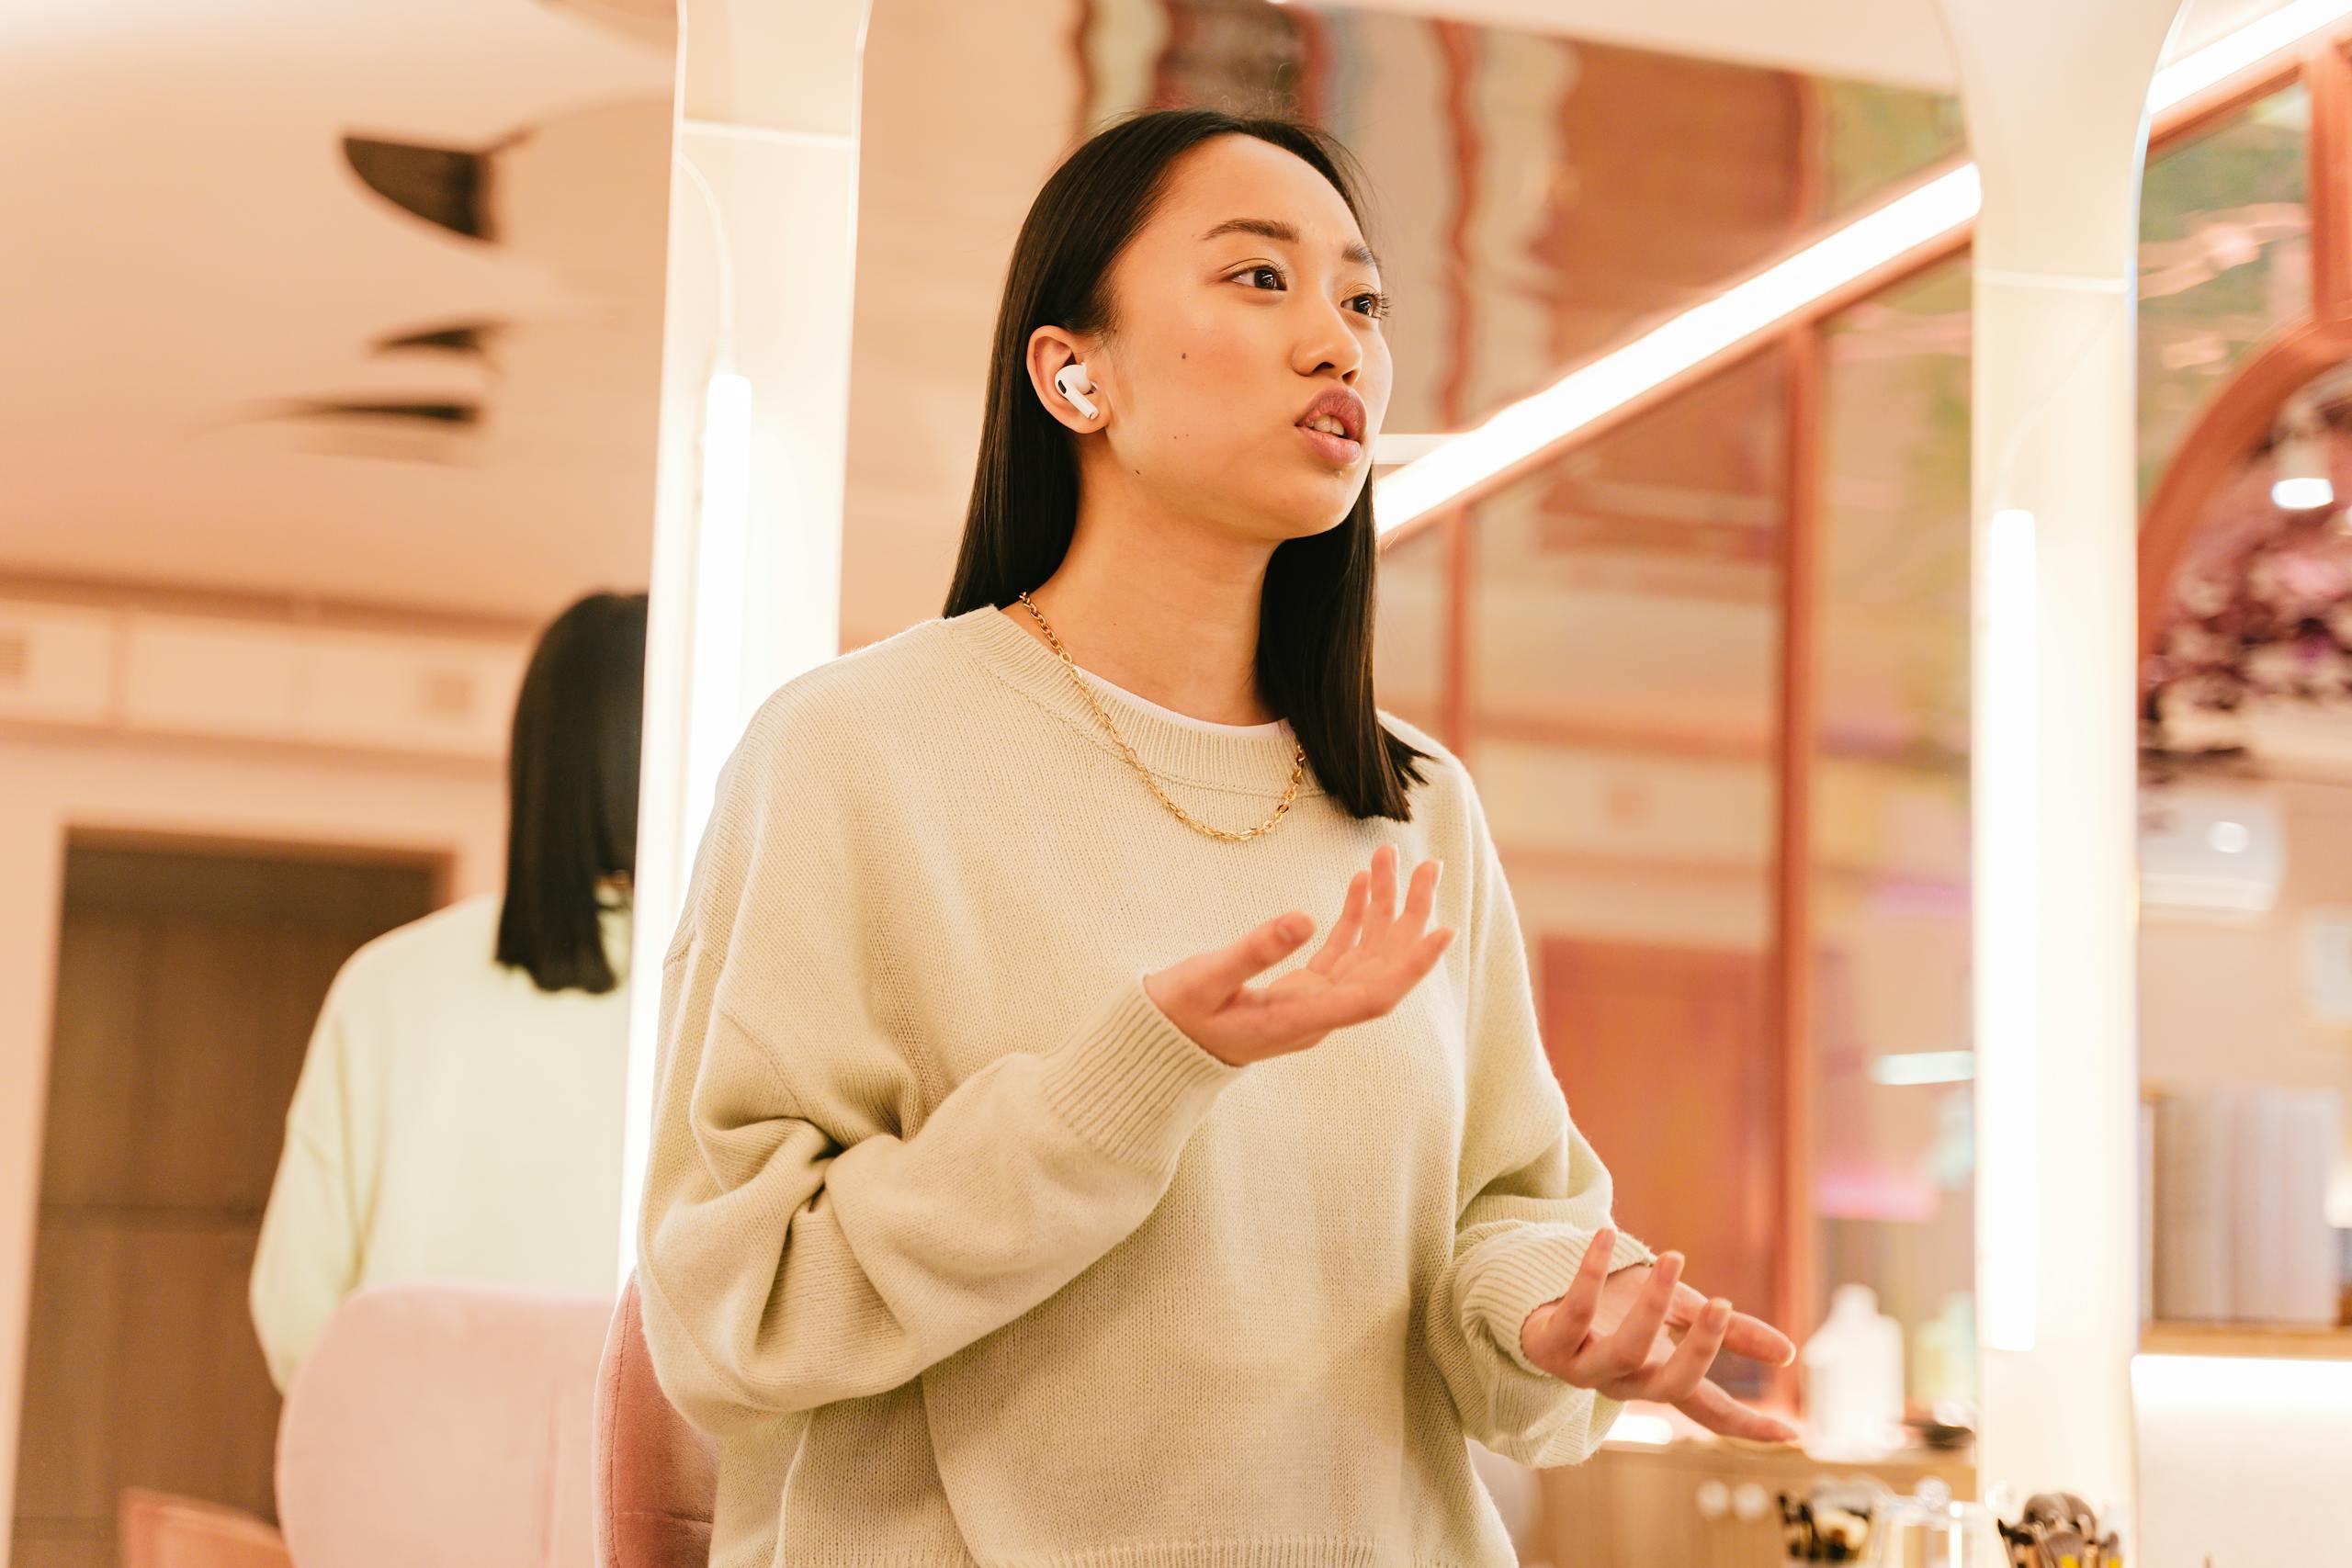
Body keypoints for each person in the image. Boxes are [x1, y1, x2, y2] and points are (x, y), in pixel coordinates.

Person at [636, 109, 1795, 1568]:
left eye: (1365, 301)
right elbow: (737, 1305)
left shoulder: (1415, 796)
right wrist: (1132, 1079)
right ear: (1075, 371)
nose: (1340, 345)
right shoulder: (857, 753)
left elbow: (1503, 1209)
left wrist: (1556, 1313)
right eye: (1261, 279)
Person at [249, 590, 648, 1393]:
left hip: (402, 1473)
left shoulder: (388, 982)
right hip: (646, 1491)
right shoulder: (741, 990)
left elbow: (295, 1313)